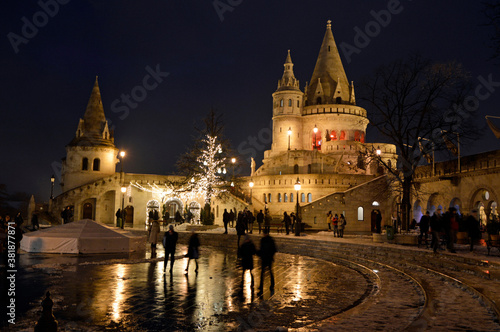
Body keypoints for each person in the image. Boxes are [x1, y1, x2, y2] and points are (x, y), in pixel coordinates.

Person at [257, 230, 277, 296]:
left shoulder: (269, 240)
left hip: (267, 258)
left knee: (268, 272)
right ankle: (262, 286)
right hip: (265, 258)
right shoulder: (265, 240)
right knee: (264, 272)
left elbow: (273, 249)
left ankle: (271, 284)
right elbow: (261, 249)